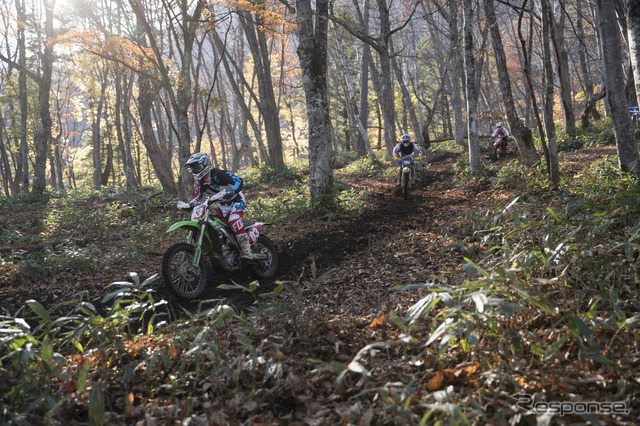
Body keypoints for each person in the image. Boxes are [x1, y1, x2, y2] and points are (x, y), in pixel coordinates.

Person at [183, 152, 252, 261]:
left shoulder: (218, 174)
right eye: (193, 169)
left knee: (234, 220)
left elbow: (239, 180)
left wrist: (232, 192)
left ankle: (246, 251)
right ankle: (225, 249)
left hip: (236, 200)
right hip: (223, 205)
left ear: (205, 165)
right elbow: (199, 196)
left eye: (197, 167)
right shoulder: (199, 182)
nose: (195, 171)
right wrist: (189, 205)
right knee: (215, 225)